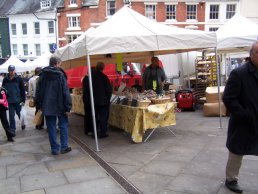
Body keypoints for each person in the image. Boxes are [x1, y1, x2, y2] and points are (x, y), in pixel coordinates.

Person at [223, 40, 258, 193]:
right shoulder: (239, 73)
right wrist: (244, 114)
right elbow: (228, 98)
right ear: (251, 56)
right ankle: (231, 179)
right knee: (237, 152)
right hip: (244, 122)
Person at [36, 56, 72, 155]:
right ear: (56, 64)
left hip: (47, 105)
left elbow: (38, 92)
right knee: (63, 125)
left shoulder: (43, 75)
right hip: (60, 104)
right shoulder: (60, 75)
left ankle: (55, 149)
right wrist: (68, 106)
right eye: (60, 63)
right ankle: (64, 147)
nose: (60, 65)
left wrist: (39, 105)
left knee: (51, 127)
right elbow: (66, 92)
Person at [83, 62, 112, 138]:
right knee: (103, 117)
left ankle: (94, 132)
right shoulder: (104, 77)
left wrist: (88, 99)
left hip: (93, 101)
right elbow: (109, 90)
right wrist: (107, 99)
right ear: (102, 68)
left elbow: (86, 90)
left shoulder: (89, 77)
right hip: (102, 101)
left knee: (94, 117)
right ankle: (103, 132)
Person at [2, 65, 26, 136]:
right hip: (10, 101)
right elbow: (3, 90)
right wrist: (4, 99)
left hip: (18, 101)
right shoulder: (5, 79)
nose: (12, 72)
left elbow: (22, 90)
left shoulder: (19, 79)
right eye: (10, 70)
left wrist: (23, 100)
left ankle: (23, 123)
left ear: (14, 70)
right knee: (11, 116)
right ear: (8, 71)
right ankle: (12, 129)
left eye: (13, 70)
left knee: (20, 114)